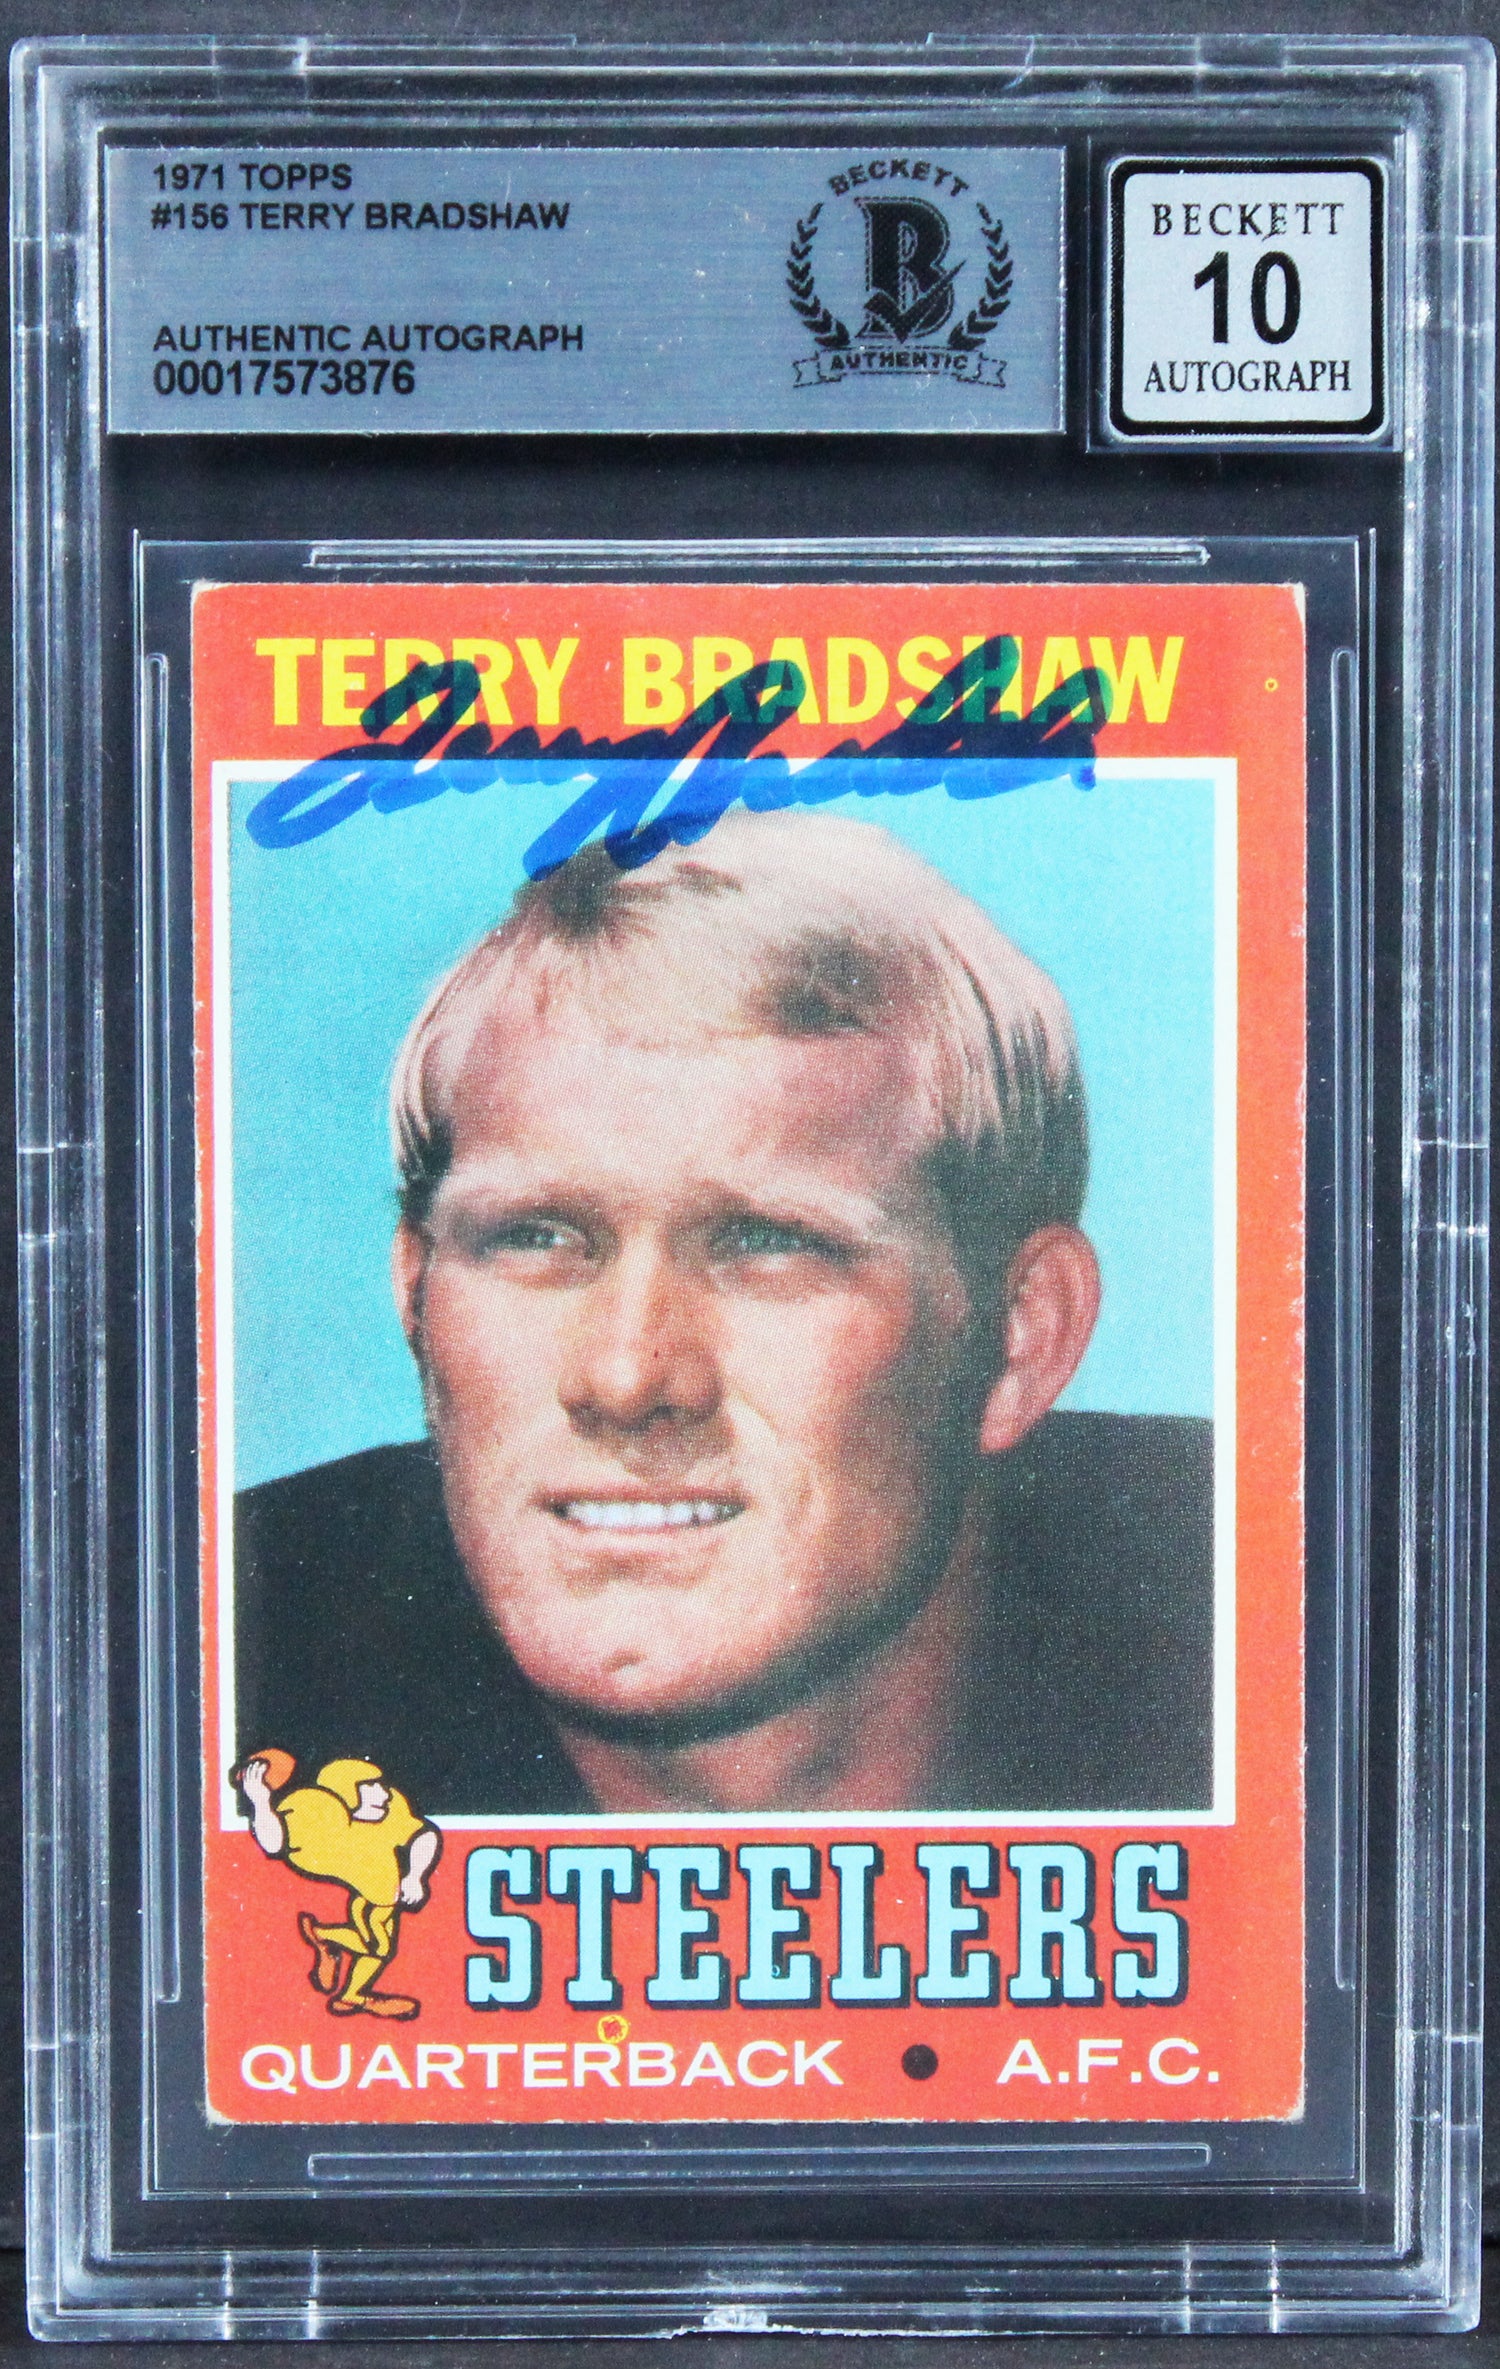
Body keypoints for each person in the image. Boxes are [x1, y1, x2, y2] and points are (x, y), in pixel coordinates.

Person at [234, 809, 1213, 1815]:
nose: (627, 1377)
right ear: (415, 1292)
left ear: (1020, 1337)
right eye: (536, 1236)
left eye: (765, 1243)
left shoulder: (1245, 1603)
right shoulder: (222, 1641)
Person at [237, 1752, 441, 2019]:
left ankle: (350, 1996)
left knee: (380, 1951)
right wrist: (261, 1802)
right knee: (377, 1946)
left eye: (381, 1785)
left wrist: (414, 1875)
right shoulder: (315, 1813)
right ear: (347, 1792)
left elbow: (424, 1834)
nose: (384, 1795)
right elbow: (274, 1843)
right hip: (369, 1899)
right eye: (371, 1786)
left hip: (385, 1895)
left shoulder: (392, 1809)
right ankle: (323, 1935)